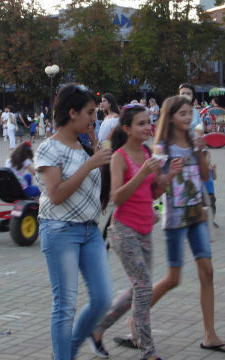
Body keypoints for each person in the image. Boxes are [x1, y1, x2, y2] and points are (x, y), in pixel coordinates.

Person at [114, 95, 225, 354]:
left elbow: (205, 177)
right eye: (182, 113)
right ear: (170, 118)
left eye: (190, 112)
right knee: (173, 278)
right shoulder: (161, 147)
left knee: (208, 272)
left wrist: (201, 152)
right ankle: (135, 320)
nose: (188, 117)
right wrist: (170, 173)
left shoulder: (194, 141)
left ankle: (210, 335)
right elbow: (156, 186)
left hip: (197, 215)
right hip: (175, 218)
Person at [91, 104, 178, 360]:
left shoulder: (147, 152)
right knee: (143, 287)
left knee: (138, 289)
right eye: (141, 123)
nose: (147, 127)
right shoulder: (119, 157)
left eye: (148, 122)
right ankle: (148, 350)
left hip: (144, 229)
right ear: (127, 129)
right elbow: (117, 197)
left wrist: (170, 175)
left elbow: (153, 191)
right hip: (124, 230)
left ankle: (97, 328)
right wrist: (142, 173)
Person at [35, 83, 113, 360]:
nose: (94, 118)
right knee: (65, 305)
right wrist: (90, 164)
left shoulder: (83, 148)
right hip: (60, 230)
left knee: (103, 298)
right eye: (90, 112)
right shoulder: (49, 148)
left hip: (90, 231)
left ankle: (68, 350)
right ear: (72, 113)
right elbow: (56, 195)